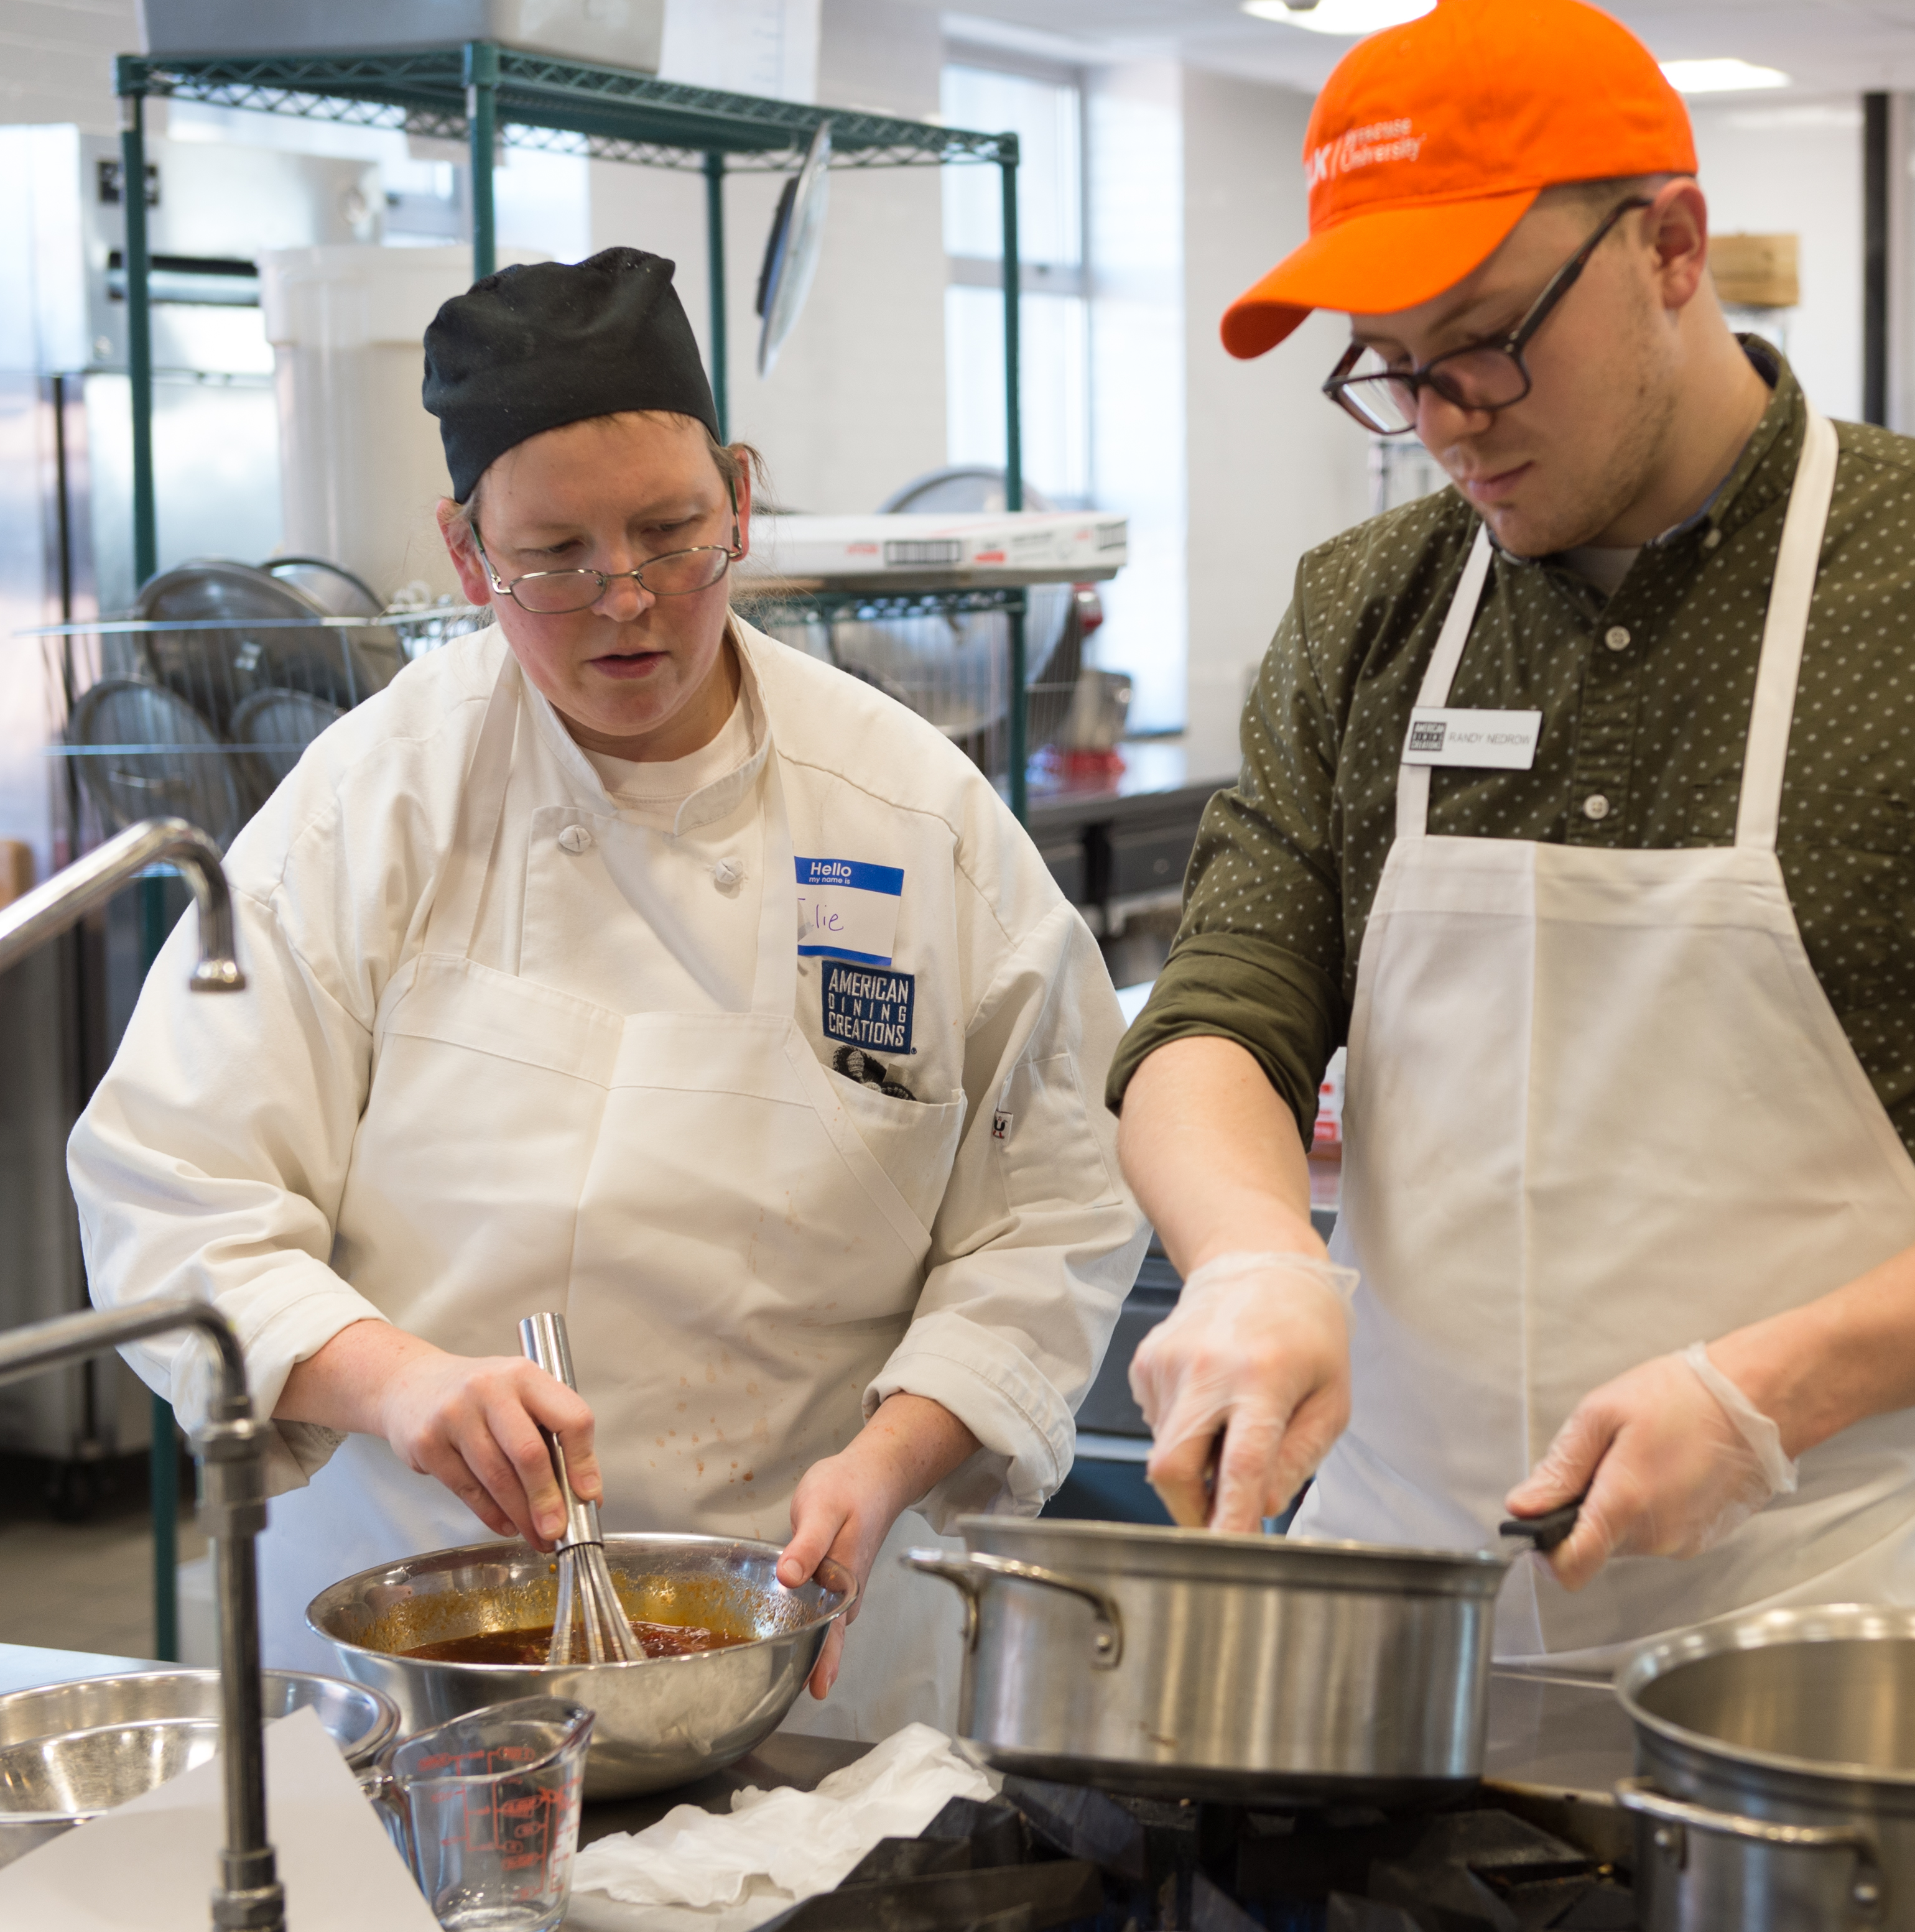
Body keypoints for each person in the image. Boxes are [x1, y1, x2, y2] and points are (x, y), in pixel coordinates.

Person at [1108, 0, 1915, 1671]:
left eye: (1490, 339)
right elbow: (1221, 1003)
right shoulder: (1368, 605)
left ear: (1670, 245)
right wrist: (1242, 1260)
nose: (1446, 420)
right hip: (1389, 1617)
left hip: (1808, 1617)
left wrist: (1764, 1394)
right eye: (1393, 366)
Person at [72, 248, 1143, 1734]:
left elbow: (1055, 1206)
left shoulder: (909, 815)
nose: (626, 598)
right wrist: (395, 1384)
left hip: (807, 1616)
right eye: (555, 558)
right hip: (428, 1622)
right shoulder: (371, 805)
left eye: (670, 532)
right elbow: (171, 1189)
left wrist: (900, 1450)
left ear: (743, 499)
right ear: (464, 555)